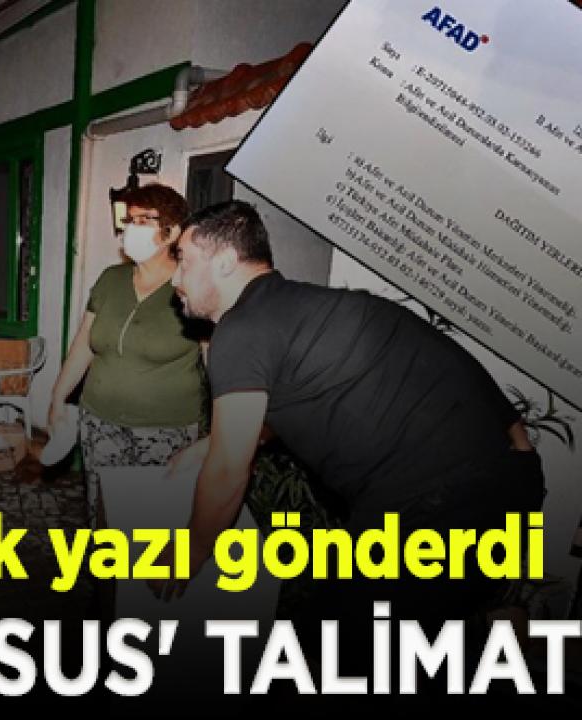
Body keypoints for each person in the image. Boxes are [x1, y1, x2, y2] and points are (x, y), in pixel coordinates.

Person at [158, 200, 543, 644]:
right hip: (512, 478)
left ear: (225, 261)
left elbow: (229, 471)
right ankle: (496, 629)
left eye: (184, 260)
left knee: (326, 651)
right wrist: (211, 444)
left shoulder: (240, 329)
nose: (176, 278)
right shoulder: (326, 306)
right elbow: (303, 400)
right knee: (393, 633)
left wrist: (192, 550)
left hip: (433, 503)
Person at [48, 183, 204, 529]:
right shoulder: (111, 280)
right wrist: (58, 397)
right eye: (129, 220)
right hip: (99, 422)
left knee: (151, 526)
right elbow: (83, 345)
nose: (131, 229)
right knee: (102, 516)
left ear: (171, 232)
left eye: (144, 220)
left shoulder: (191, 287)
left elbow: (218, 364)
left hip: (166, 431)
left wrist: (221, 435)